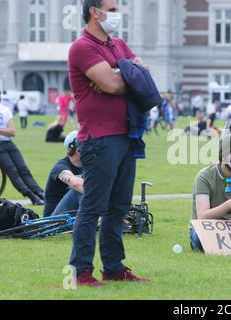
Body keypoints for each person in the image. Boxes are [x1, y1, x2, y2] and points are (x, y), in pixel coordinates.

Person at [67, 0, 150, 286]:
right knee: (93, 206)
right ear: (94, 12)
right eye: (112, 9)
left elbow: (143, 77)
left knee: (118, 207)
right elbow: (116, 85)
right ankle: (80, 272)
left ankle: (114, 268)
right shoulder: (82, 47)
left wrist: (118, 73)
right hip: (99, 138)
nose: (117, 14)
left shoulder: (118, 45)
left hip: (126, 135)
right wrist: (125, 74)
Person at [0, 84, 45, 206]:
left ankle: (40, 192)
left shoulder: (4, 110)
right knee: (12, 171)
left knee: (24, 169)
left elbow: (12, 132)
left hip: (8, 143)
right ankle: (32, 196)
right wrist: (3, 130)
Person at [44, 131, 83, 217]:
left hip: (72, 217)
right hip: (51, 223)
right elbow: (75, 184)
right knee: (78, 189)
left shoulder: (89, 165)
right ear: (78, 150)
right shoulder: (60, 167)